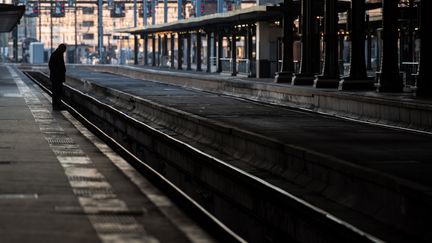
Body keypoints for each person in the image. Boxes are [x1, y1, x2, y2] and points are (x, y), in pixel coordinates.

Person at [48, 43, 67, 110]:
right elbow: (51, 65)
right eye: (64, 49)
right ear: (61, 49)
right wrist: (57, 72)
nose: (64, 51)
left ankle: (57, 104)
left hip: (58, 77)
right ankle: (56, 105)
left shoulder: (59, 54)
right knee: (57, 92)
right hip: (56, 77)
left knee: (58, 91)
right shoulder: (56, 54)